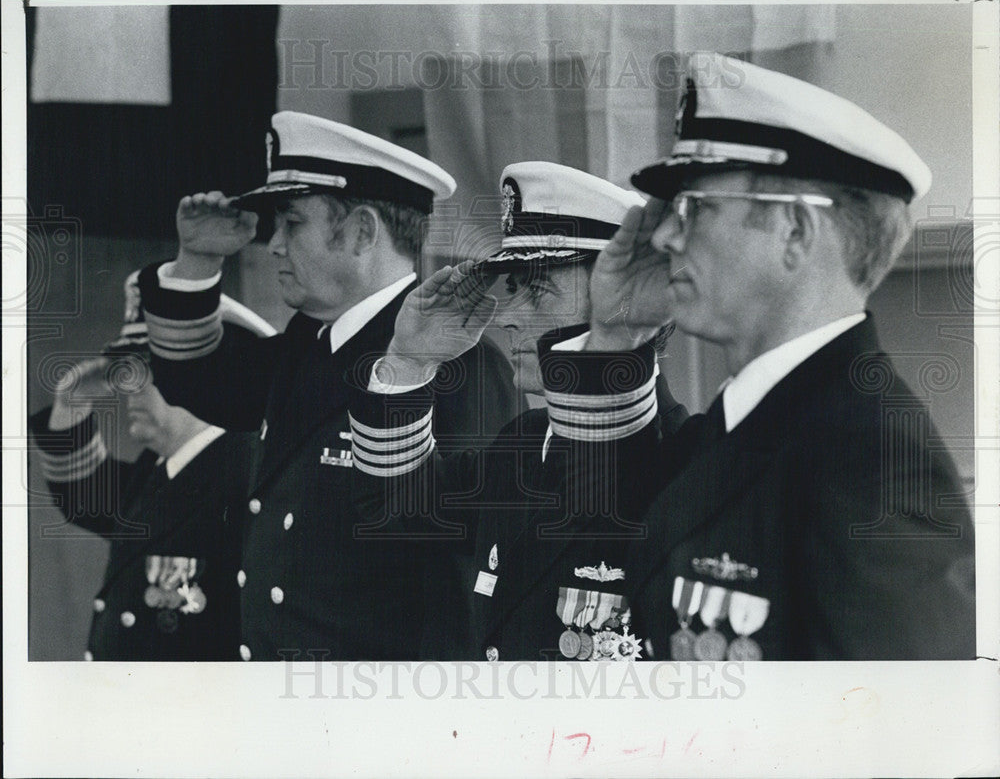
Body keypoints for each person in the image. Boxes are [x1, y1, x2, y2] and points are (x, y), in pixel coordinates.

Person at [534, 52, 976, 660]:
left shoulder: (871, 461)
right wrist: (614, 336)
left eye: (696, 208)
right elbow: (593, 552)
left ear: (794, 231)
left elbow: (899, 738)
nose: (663, 236)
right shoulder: (734, 428)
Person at [136, 111, 522, 661]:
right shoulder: (310, 345)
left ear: (363, 232)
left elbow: (473, 558)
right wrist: (196, 263)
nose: (273, 245)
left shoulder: (460, 364)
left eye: (292, 224)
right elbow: (196, 382)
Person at [348, 162, 687, 661]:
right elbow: (398, 520)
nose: (507, 318)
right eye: (513, 290)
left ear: (621, 298)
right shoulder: (523, 443)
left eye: (538, 290)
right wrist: (408, 362)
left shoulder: (678, 461)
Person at [29, 274, 270, 660]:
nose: (130, 386)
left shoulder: (251, 475)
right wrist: (72, 402)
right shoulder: (160, 467)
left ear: (211, 377)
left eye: (151, 371)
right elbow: (84, 497)